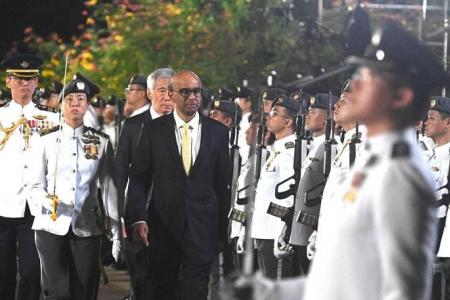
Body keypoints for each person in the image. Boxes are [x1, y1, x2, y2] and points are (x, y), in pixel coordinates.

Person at [234, 20, 448, 300]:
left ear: (401, 96)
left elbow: (399, 286)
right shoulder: (373, 156)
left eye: (370, 77)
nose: (356, 86)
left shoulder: (399, 172)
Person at [127, 70, 230, 300]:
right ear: (171, 95)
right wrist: (137, 218)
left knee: (196, 292)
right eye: (185, 92)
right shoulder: (153, 130)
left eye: (196, 91)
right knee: (162, 291)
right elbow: (138, 178)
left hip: (202, 231)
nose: (192, 97)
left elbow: (222, 186)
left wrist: (221, 231)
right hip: (163, 230)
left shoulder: (218, 133)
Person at [31, 77, 119, 300]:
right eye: (69, 99)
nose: (75, 104)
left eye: (81, 99)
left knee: (85, 291)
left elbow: (109, 187)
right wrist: (45, 200)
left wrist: (116, 227)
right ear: (62, 104)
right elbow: (34, 184)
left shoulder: (100, 141)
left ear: (88, 104)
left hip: (86, 227)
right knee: (56, 292)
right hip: (50, 225)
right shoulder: (45, 139)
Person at [0, 53, 59, 300]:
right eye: (19, 78)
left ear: (37, 83)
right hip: (2, 203)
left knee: (32, 273)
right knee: (2, 274)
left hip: (35, 207)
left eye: (30, 79)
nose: (25, 84)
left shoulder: (52, 119)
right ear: (8, 81)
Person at [117, 69, 174, 300]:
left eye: (172, 90)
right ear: (149, 93)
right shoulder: (133, 126)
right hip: (139, 217)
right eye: (162, 90)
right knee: (141, 282)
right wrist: (121, 215)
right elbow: (121, 173)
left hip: (173, 219)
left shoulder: (184, 126)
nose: (168, 96)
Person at [250, 95, 299, 279]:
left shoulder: (289, 150)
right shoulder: (277, 149)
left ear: (288, 122)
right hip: (264, 230)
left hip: (274, 232)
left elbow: (287, 195)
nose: (269, 117)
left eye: (275, 114)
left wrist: (282, 232)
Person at [423, 97, 450, 299]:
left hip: (439, 235)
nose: (426, 122)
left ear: (448, 123)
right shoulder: (427, 156)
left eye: (432, 118)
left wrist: (444, 251)